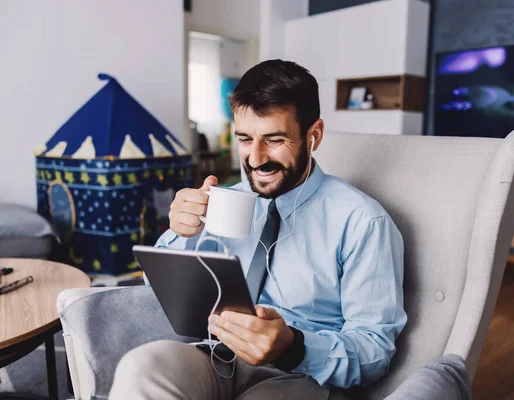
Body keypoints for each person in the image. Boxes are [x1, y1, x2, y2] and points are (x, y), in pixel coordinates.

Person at [109, 60, 407, 400]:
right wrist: (179, 232)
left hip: (304, 377)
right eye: (245, 139)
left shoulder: (362, 222)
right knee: (142, 366)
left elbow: (375, 351)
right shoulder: (223, 202)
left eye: (274, 139)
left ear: (314, 135)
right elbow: (155, 289)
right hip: (219, 358)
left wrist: (294, 347)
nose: (255, 158)